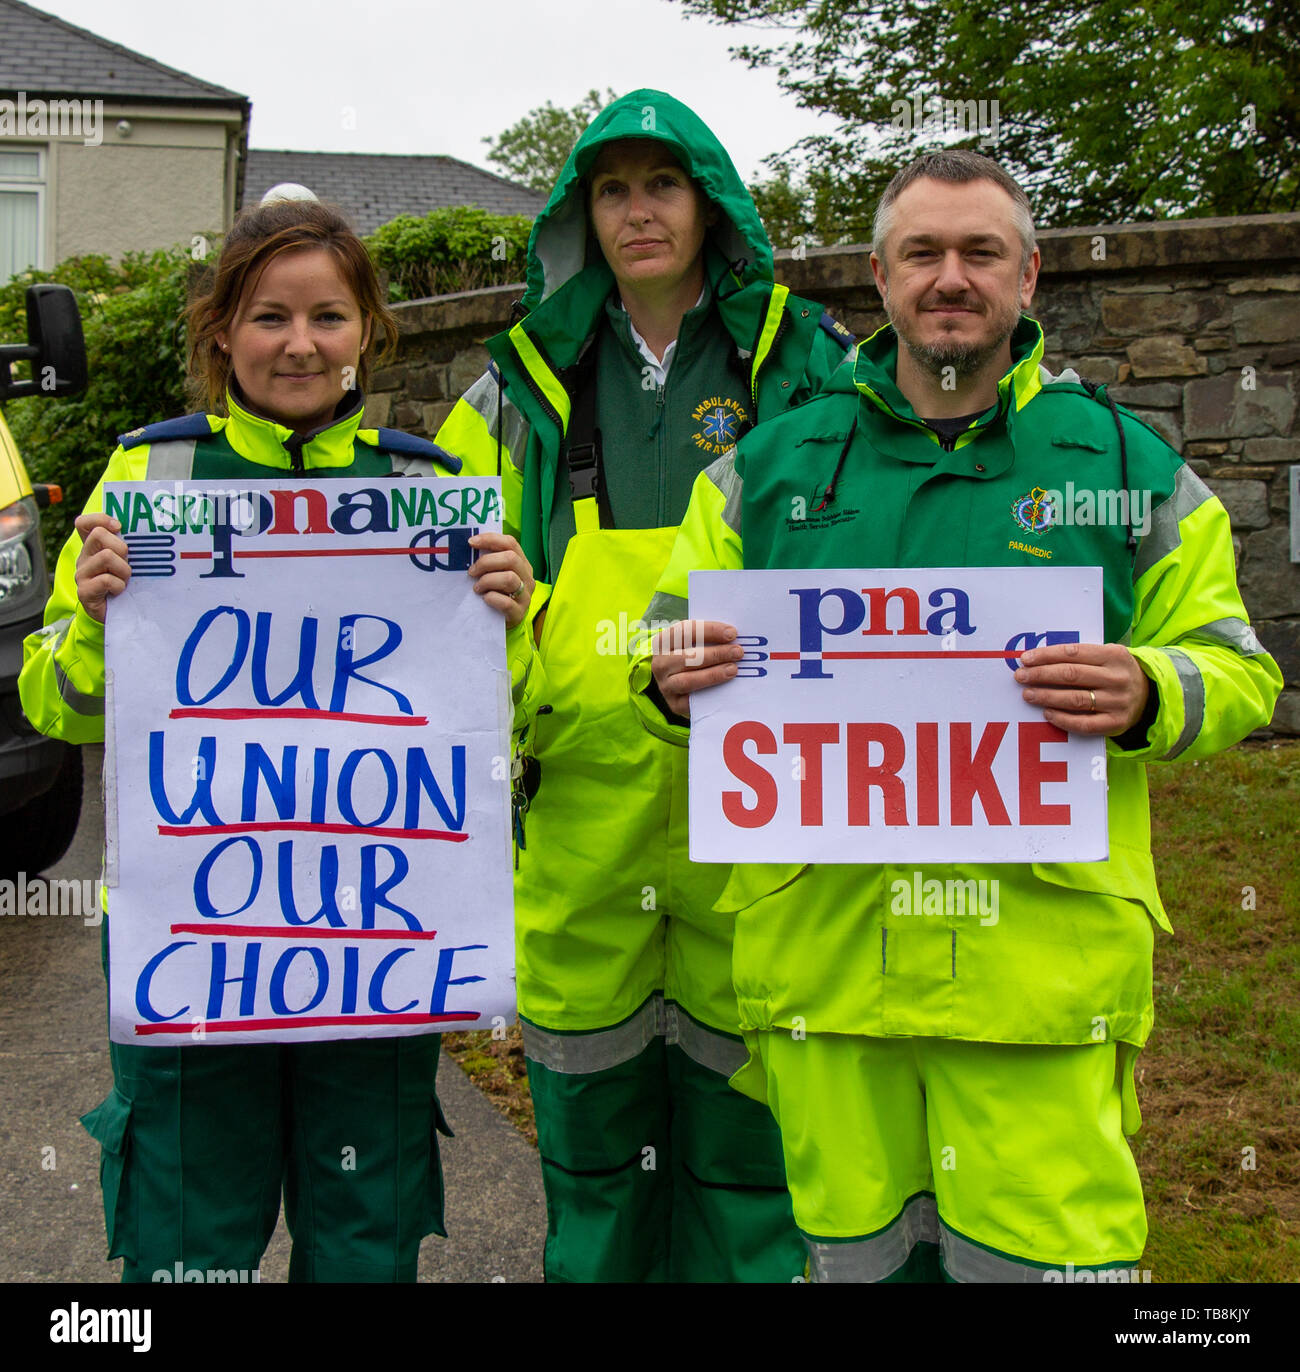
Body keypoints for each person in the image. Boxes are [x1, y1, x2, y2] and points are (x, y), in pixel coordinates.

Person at [635, 150, 1282, 1282]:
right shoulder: (765, 470)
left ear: (1027, 277)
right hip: (825, 975)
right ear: (877, 282)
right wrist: (666, 677)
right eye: (921, 253)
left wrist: (1144, 692)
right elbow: (660, 651)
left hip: (1036, 979)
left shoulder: (1124, 467)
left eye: (979, 252)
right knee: (853, 1262)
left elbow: (1236, 666)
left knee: (1052, 1266)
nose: (950, 276)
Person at [19, 195, 535, 1283]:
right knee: (185, 1237)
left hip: (375, 934)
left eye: (329, 317)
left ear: (367, 332)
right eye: (268, 317)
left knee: (364, 1227)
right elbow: (54, 705)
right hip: (193, 932)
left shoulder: (427, 493)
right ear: (221, 334)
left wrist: (512, 621)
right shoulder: (148, 481)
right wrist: (104, 627)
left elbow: (501, 721)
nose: (300, 344)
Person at [435, 88, 853, 1282]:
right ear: (580, 215)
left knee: (748, 1153)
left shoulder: (811, 365)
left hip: (763, 810)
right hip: (581, 822)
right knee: (591, 1153)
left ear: (710, 204)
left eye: (660, 184)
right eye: (609, 190)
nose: (636, 212)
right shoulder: (510, 391)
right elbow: (444, 606)